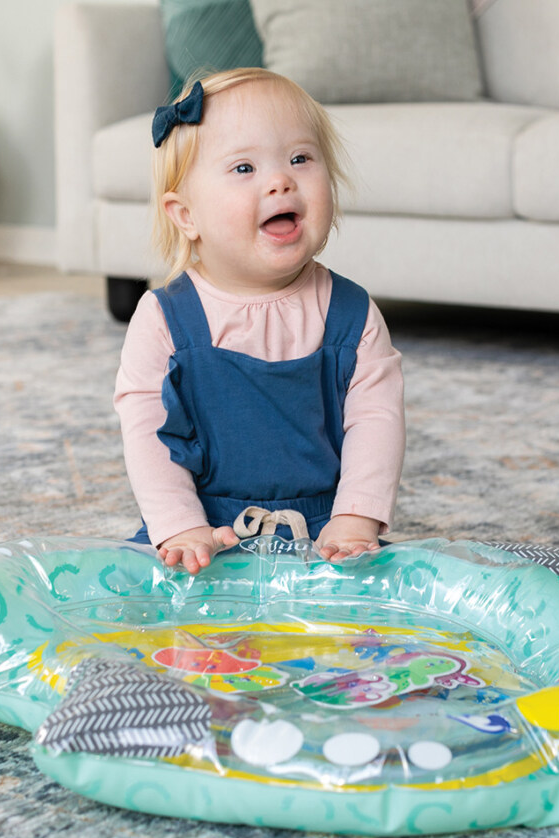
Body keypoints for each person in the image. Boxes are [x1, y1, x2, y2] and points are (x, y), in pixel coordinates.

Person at [114, 68, 405, 574]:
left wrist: (355, 518)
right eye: (244, 168)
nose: (281, 180)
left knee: (375, 612)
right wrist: (178, 526)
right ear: (186, 215)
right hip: (201, 534)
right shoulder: (163, 319)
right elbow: (147, 432)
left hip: (324, 532)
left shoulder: (352, 314)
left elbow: (376, 421)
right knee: (136, 603)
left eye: (300, 158)